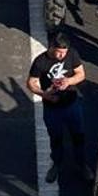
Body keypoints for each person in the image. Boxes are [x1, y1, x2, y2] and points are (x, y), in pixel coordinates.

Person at [27, 30, 91, 183]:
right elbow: (31, 82)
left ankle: (81, 164)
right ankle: (56, 164)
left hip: (72, 104)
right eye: (59, 52)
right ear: (51, 47)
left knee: (79, 136)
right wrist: (44, 95)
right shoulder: (40, 62)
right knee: (55, 138)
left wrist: (68, 81)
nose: (62, 56)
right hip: (52, 109)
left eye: (64, 52)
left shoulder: (72, 54)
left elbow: (81, 73)